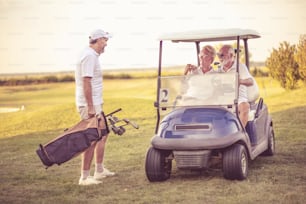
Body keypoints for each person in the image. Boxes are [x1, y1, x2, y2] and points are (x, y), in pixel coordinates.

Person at [75, 29, 115, 186]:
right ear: (98, 40)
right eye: (105, 40)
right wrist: (91, 107)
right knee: (91, 139)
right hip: (90, 104)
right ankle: (84, 177)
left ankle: (99, 170)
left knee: (102, 135)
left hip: (95, 103)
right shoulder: (89, 56)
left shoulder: (91, 55)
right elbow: (86, 82)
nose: (106, 43)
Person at [217, 44, 256, 127]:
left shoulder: (240, 67)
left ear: (231, 55)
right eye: (218, 55)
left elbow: (250, 81)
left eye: (222, 55)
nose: (220, 57)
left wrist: (240, 81)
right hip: (223, 98)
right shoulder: (219, 70)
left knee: (245, 107)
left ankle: (240, 132)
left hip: (239, 98)